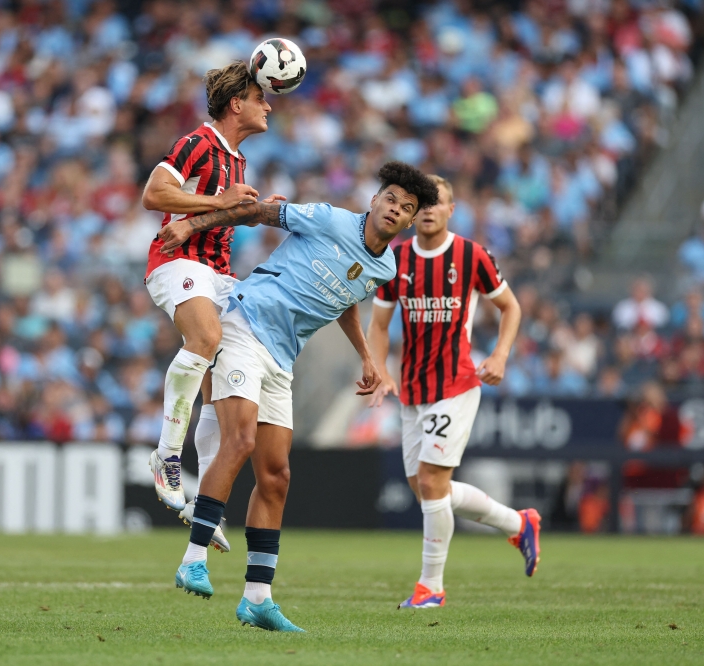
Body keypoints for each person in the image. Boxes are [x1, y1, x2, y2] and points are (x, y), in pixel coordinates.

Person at [159, 162, 439, 632]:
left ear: (409, 223)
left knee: (276, 476)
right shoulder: (329, 218)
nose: (395, 209)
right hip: (244, 327)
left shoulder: (385, 266)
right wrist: (193, 223)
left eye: (406, 208)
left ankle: (257, 598)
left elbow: (346, 297)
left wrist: (368, 357)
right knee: (240, 441)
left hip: (282, 359)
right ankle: (193, 558)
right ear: (374, 201)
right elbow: (258, 212)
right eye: (390, 199)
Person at [365, 174, 538, 610]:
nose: (426, 209)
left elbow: (510, 307)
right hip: (413, 389)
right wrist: (379, 368)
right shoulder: (396, 258)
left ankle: (431, 587)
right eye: (420, 203)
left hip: (456, 383)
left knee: (430, 481)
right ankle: (518, 523)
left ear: (450, 210)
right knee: (427, 488)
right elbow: (380, 325)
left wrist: (499, 356)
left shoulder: (471, 255)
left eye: (435, 202)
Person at [140, 61, 285, 553]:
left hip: (218, 274)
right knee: (206, 339)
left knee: (216, 388)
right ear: (235, 103)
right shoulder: (197, 142)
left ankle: (200, 497)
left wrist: (257, 210)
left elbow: (220, 211)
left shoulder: (239, 160)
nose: (269, 104)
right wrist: (221, 201)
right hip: (177, 260)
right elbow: (154, 193)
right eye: (259, 96)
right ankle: (166, 455)